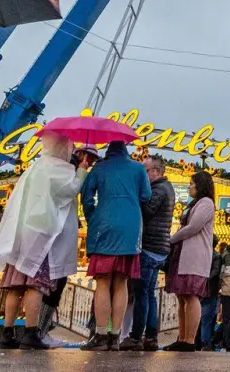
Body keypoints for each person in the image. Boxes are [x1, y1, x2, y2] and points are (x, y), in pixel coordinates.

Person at [0, 132, 89, 350]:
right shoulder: (59, 168)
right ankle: (31, 332)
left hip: (21, 233)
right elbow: (68, 191)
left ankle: (7, 333)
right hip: (41, 236)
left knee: (15, 285)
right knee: (36, 285)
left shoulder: (35, 167)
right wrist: (81, 171)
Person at [79, 139, 149, 351]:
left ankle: (100, 335)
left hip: (105, 225)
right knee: (121, 282)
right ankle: (116, 336)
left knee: (102, 282)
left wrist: (93, 217)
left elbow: (86, 197)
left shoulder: (99, 168)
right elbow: (146, 195)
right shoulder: (138, 168)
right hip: (130, 228)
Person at [127, 156, 176, 351]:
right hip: (159, 249)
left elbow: (147, 211)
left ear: (155, 171)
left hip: (149, 247)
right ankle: (151, 336)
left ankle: (136, 336)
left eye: (145, 170)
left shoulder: (158, 189)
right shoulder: (167, 188)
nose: (143, 174)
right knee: (149, 294)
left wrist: (137, 196)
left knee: (142, 294)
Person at [165, 170, 216, 351]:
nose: (189, 186)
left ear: (200, 185)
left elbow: (194, 227)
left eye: (192, 183)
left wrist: (171, 239)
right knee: (182, 297)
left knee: (191, 295)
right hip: (183, 254)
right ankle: (182, 337)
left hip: (195, 256)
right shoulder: (194, 203)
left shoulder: (206, 203)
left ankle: (190, 340)